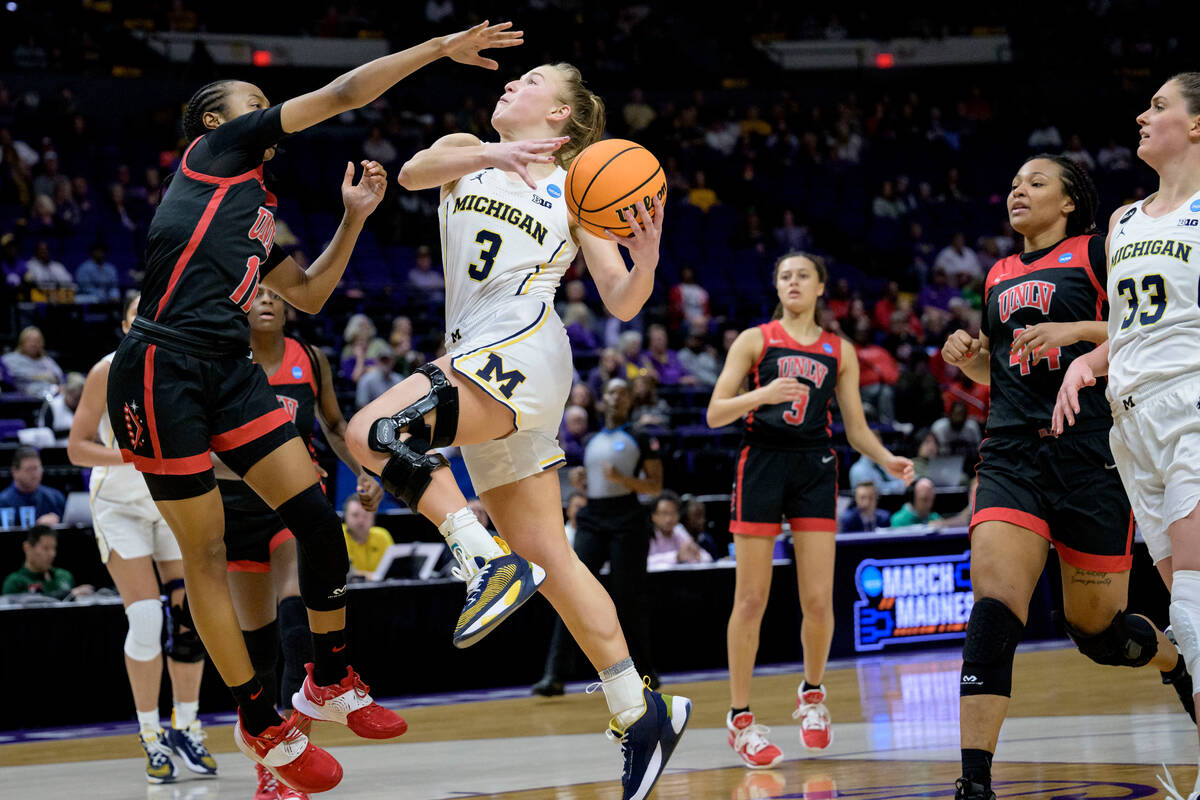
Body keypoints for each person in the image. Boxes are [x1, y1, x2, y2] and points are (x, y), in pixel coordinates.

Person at [102, 23, 512, 790]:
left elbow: (313, 295)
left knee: (318, 521)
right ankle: (262, 725)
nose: (269, 110)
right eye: (253, 102)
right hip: (161, 365)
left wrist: (353, 217)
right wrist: (433, 50)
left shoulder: (255, 206)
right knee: (208, 557)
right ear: (218, 123)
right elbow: (342, 93)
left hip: (224, 368)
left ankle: (329, 678)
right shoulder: (214, 156)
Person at [346, 59, 692, 798]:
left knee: (370, 430)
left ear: (561, 115)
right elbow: (410, 173)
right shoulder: (464, 150)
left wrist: (650, 255)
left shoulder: (576, 185)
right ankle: (641, 709)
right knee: (550, 555)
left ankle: (479, 560)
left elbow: (623, 301)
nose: (511, 84)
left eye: (530, 81)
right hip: (476, 350)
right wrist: (494, 153)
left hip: (525, 344)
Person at [945, 151, 1194, 800]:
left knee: (1099, 634)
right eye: (1012, 181)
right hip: (1011, 457)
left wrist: (1075, 332)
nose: (1017, 189)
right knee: (995, 609)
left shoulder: (1099, 251)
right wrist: (974, 360)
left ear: (1070, 203)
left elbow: (1142, 332)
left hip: (1092, 457)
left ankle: (1175, 661)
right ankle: (973, 784)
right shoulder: (997, 272)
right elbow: (1006, 370)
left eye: (1035, 182)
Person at [1052, 74, 1200, 800]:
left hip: (1193, 409)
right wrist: (1088, 357)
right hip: (1130, 421)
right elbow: (1128, 329)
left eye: (1162, 106)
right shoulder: (1123, 221)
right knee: (1192, 616)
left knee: (1194, 614)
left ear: (1197, 126)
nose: (1143, 115)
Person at [706, 251, 914, 767]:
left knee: (819, 601)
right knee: (751, 599)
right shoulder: (755, 340)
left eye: (803, 276)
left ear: (822, 287)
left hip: (815, 467)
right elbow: (714, 413)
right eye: (784, 276)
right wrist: (763, 395)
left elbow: (857, 429)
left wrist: (888, 460)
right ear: (776, 287)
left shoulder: (838, 349)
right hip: (762, 465)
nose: (793, 282)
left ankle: (813, 696)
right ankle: (740, 718)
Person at [217, 286, 383, 799]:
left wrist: (363, 469)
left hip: (296, 505)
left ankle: (299, 738)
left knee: (294, 618)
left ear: (290, 307)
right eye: (257, 294)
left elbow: (334, 423)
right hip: (235, 509)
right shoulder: (222, 360)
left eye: (276, 294)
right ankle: (271, 755)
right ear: (240, 305)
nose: (267, 301)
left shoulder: (309, 358)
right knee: (259, 646)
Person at [66, 292, 215, 784]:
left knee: (188, 618)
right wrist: (134, 457)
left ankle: (188, 728)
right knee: (148, 618)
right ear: (126, 324)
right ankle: (151, 735)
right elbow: (77, 448)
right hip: (119, 505)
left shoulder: (185, 366)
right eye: (138, 317)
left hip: (171, 503)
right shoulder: (106, 371)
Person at [531, 377, 663, 697]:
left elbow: (655, 485)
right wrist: (581, 480)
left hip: (627, 517)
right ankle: (555, 674)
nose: (616, 398)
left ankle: (644, 673)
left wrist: (623, 479)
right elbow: (593, 482)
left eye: (622, 393)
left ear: (631, 400)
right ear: (602, 399)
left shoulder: (641, 437)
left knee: (627, 597)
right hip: (593, 517)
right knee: (571, 592)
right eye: (611, 393)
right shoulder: (590, 438)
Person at [2, 526, 93, 599]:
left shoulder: (64, 576)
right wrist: (69, 594)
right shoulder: (14, 582)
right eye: (46, 548)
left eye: (54, 548)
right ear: (27, 548)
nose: (52, 554)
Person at [0, 446, 65, 529]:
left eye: (36, 468)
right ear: (15, 472)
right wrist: (38, 527)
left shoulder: (55, 497)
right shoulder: (3, 502)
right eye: (29, 469)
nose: (34, 474)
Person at [647, 491, 713, 569]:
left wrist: (696, 554)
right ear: (653, 516)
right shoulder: (646, 534)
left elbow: (707, 558)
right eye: (664, 513)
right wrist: (677, 557)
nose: (669, 519)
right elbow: (644, 562)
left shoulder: (678, 530)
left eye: (673, 513)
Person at [2, 325, 64, 397]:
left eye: (37, 341)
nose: (33, 344)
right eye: (29, 341)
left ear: (42, 343)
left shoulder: (46, 360)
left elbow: (59, 375)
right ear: (22, 342)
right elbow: (17, 375)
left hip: (54, 394)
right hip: (26, 394)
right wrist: (44, 376)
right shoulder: (9, 359)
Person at [343, 495, 393, 578]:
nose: (361, 520)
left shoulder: (382, 536)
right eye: (355, 515)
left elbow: (391, 570)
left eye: (366, 515)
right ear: (345, 517)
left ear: (373, 518)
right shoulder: (335, 536)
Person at [37, 371, 85, 437]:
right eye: (75, 398)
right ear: (67, 392)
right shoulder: (52, 406)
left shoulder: (86, 406)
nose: (77, 401)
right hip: (57, 446)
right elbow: (46, 435)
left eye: (80, 397)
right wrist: (72, 432)